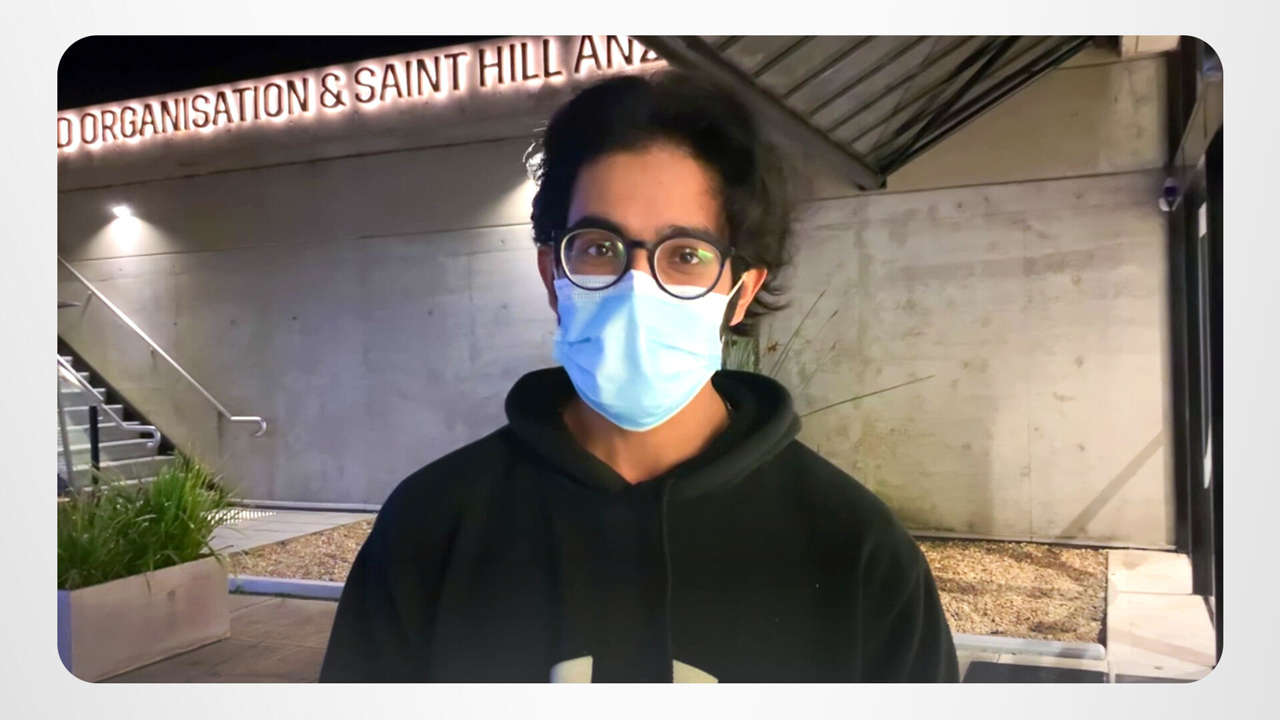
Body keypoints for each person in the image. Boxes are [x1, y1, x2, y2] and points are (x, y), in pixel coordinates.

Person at [319, 69, 958, 683]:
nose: (635, 288)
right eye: (599, 248)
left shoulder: (856, 552)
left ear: (740, 292)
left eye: (686, 255)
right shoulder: (430, 527)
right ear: (552, 276)